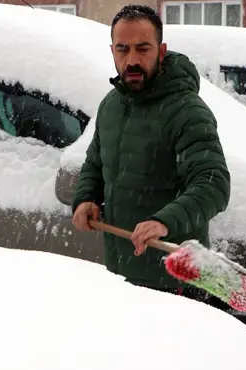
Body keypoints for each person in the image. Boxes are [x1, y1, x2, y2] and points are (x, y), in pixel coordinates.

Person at [71, 4, 231, 304]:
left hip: (174, 283)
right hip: (120, 274)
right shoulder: (111, 105)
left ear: (161, 51)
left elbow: (213, 185)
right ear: (112, 51)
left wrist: (163, 222)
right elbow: (95, 163)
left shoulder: (187, 111)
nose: (132, 60)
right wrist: (86, 198)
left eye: (143, 49)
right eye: (122, 49)